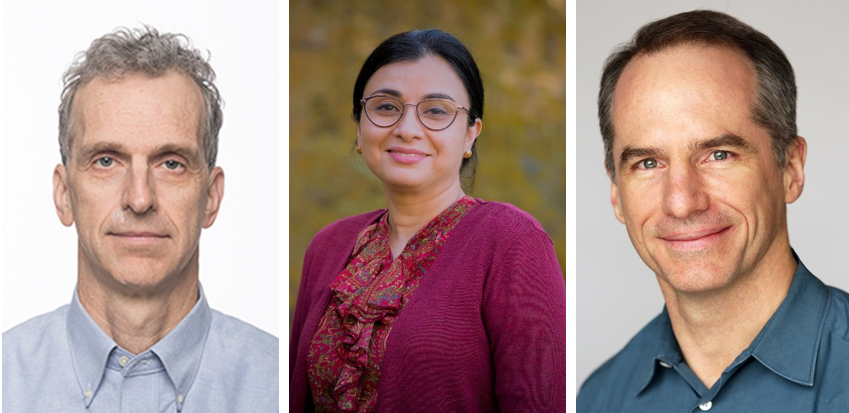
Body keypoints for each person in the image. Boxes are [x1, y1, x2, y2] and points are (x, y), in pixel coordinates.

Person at [577, 10, 849, 412]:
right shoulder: (598, 399)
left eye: (718, 154)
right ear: (616, 191)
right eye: (648, 163)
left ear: (790, 169)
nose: (682, 202)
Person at [2, 27, 278, 412]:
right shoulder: (6, 380)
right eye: (106, 161)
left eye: (171, 163)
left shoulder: (278, 382)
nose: (140, 198)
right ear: (64, 195)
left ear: (211, 197)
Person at [289, 29, 566, 412]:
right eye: (386, 106)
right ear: (359, 125)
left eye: (436, 110)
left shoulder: (512, 242)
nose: (406, 128)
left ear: (471, 134)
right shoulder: (329, 246)